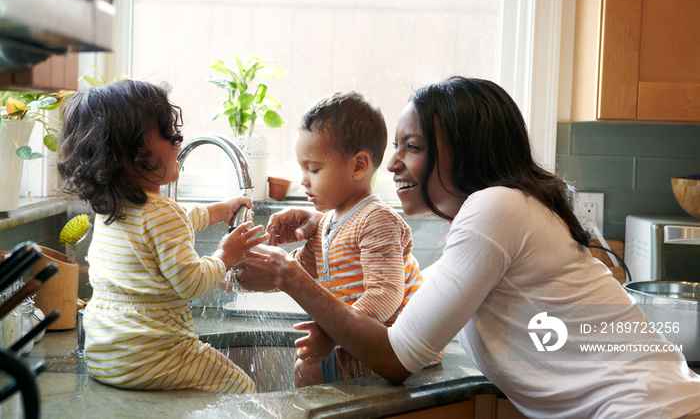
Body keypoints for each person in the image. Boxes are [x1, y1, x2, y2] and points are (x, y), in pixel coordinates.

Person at [234, 77, 700, 417]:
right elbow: (413, 295)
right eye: (395, 145)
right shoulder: (500, 214)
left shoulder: (496, 209)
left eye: (411, 146)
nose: (392, 162)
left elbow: (396, 357)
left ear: (466, 151)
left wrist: (288, 276)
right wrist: (324, 228)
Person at [57, 79, 268, 393]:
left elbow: (178, 222)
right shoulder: (161, 214)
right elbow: (192, 283)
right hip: (157, 355)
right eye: (169, 135)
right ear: (130, 153)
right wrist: (227, 253)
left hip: (106, 356)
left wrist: (221, 210)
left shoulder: (111, 209)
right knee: (242, 388)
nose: (178, 142)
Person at [273, 91, 440, 386]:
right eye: (302, 169)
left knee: (309, 372)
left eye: (314, 169)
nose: (303, 180)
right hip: (355, 345)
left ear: (359, 166)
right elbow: (298, 273)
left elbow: (386, 293)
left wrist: (332, 333)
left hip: (392, 353)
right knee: (306, 371)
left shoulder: (376, 220)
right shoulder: (325, 223)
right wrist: (260, 253)